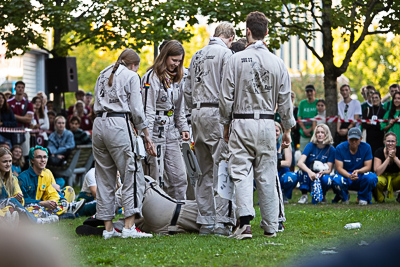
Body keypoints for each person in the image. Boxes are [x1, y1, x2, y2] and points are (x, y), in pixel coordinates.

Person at [219, 11, 295, 239]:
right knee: (267, 172)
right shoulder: (278, 62)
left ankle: (244, 224)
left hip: (241, 121)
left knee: (241, 171)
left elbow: (226, 97)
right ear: (267, 33)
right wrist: (288, 130)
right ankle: (271, 225)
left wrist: (225, 123)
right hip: (267, 123)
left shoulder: (235, 59)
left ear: (248, 31)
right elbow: (285, 99)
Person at [93, 48, 156, 239]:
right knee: (132, 173)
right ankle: (129, 227)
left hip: (98, 124)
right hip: (119, 123)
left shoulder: (102, 74)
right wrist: (146, 135)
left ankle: (108, 228)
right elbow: (137, 110)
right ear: (134, 65)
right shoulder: (131, 75)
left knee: (104, 177)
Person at [184, 22, 236, 235]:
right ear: (231, 37)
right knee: (222, 165)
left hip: (197, 113)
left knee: (203, 169)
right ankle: (222, 221)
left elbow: (186, 90)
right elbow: (229, 88)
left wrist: (193, 110)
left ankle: (205, 220)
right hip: (216, 113)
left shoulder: (196, 55)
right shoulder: (226, 54)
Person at [141, 40, 190, 200]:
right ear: (164, 57)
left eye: (179, 61)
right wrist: (146, 136)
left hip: (171, 132)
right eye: (173, 60)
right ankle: (152, 216)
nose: (176, 64)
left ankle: (178, 214)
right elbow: (147, 109)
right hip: (154, 132)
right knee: (155, 178)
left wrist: (183, 128)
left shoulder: (178, 79)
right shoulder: (151, 77)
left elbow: (179, 108)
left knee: (180, 177)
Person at [76, 175, 200, 236]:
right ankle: (113, 228)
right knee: (136, 220)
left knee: (143, 180)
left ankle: (102, 213)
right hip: (167, 228)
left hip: (169, 210)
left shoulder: (214, 207)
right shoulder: (215, 220)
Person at [332, 127, 378, 205]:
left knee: (371, 177)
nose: (353, 141)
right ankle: (344, 197)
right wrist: (349, 175)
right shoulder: (340, 148)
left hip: (360, 175)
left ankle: (362, 197)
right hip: (345, 176)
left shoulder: (366, 147)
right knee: (336, 179)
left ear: (360, 138)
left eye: (356, 139)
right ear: (347, 138)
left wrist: (358, 171)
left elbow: (368, 167)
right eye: (351, 139)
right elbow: (339, 168)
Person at [297, 124, 335, 204]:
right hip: (308, 174)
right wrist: (310, 172)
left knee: (327, 179)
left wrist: (322, 172)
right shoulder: (310, 145)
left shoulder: (331, 149)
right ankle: (304, 195)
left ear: (326, 134)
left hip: (321, 174)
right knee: (300, 172)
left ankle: (322, 196)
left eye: (322, 132)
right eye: (318, 132)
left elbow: (329, 169)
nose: (320, 135)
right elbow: (300, 163)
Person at [7, 81, 34, 155]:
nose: (20, 89)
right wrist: (23, 118)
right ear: (15, 88)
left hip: (24, 131)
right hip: (10, 131)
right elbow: (6, 118)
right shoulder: (8, 102)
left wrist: (13, 116)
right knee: (9, 154)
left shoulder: (28, 103)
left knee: (25, 154)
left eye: (22, 87)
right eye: (19, 87)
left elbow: (28, 119)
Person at [373, 132, 400, 203]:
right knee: (375, 179)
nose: (390, 143)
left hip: (396, 179)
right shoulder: (379, 152)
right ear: (384, 142)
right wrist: (388, 158)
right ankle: (380, 198)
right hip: (383, 178)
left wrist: (394, 157)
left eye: (392, 141)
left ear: (396, 142)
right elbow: (377, 172)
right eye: (388, 141)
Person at [275, 122, 297, 204]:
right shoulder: (265, 144)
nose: (275, 133)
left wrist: (275, 163)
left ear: (280, 132)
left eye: (277, 131)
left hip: (282, 172)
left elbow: (288, 163)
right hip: (270, 172)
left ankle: (284, 195)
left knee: (292, 177)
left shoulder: (285, 143)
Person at [362, 92, 386, 156]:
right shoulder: (367, 110)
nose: (374, 99)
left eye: (376, 97)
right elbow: (364, 124)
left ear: (380, 99)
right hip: (368, 139)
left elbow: (383, 126)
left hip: (380, 140)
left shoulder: (384, 111)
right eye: (373, 98)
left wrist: (370, 124)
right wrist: (377, 124)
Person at [297, 85, 318, 152]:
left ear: (314, 92)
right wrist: (304, 129)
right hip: (303, 133)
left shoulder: (318, 103)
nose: (309, 93)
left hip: (316, 133)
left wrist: (310, 129)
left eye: (311, 91)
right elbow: (299, 117)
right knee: (303, 151)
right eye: (307, 91)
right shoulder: (302, 103)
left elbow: (319, 118)